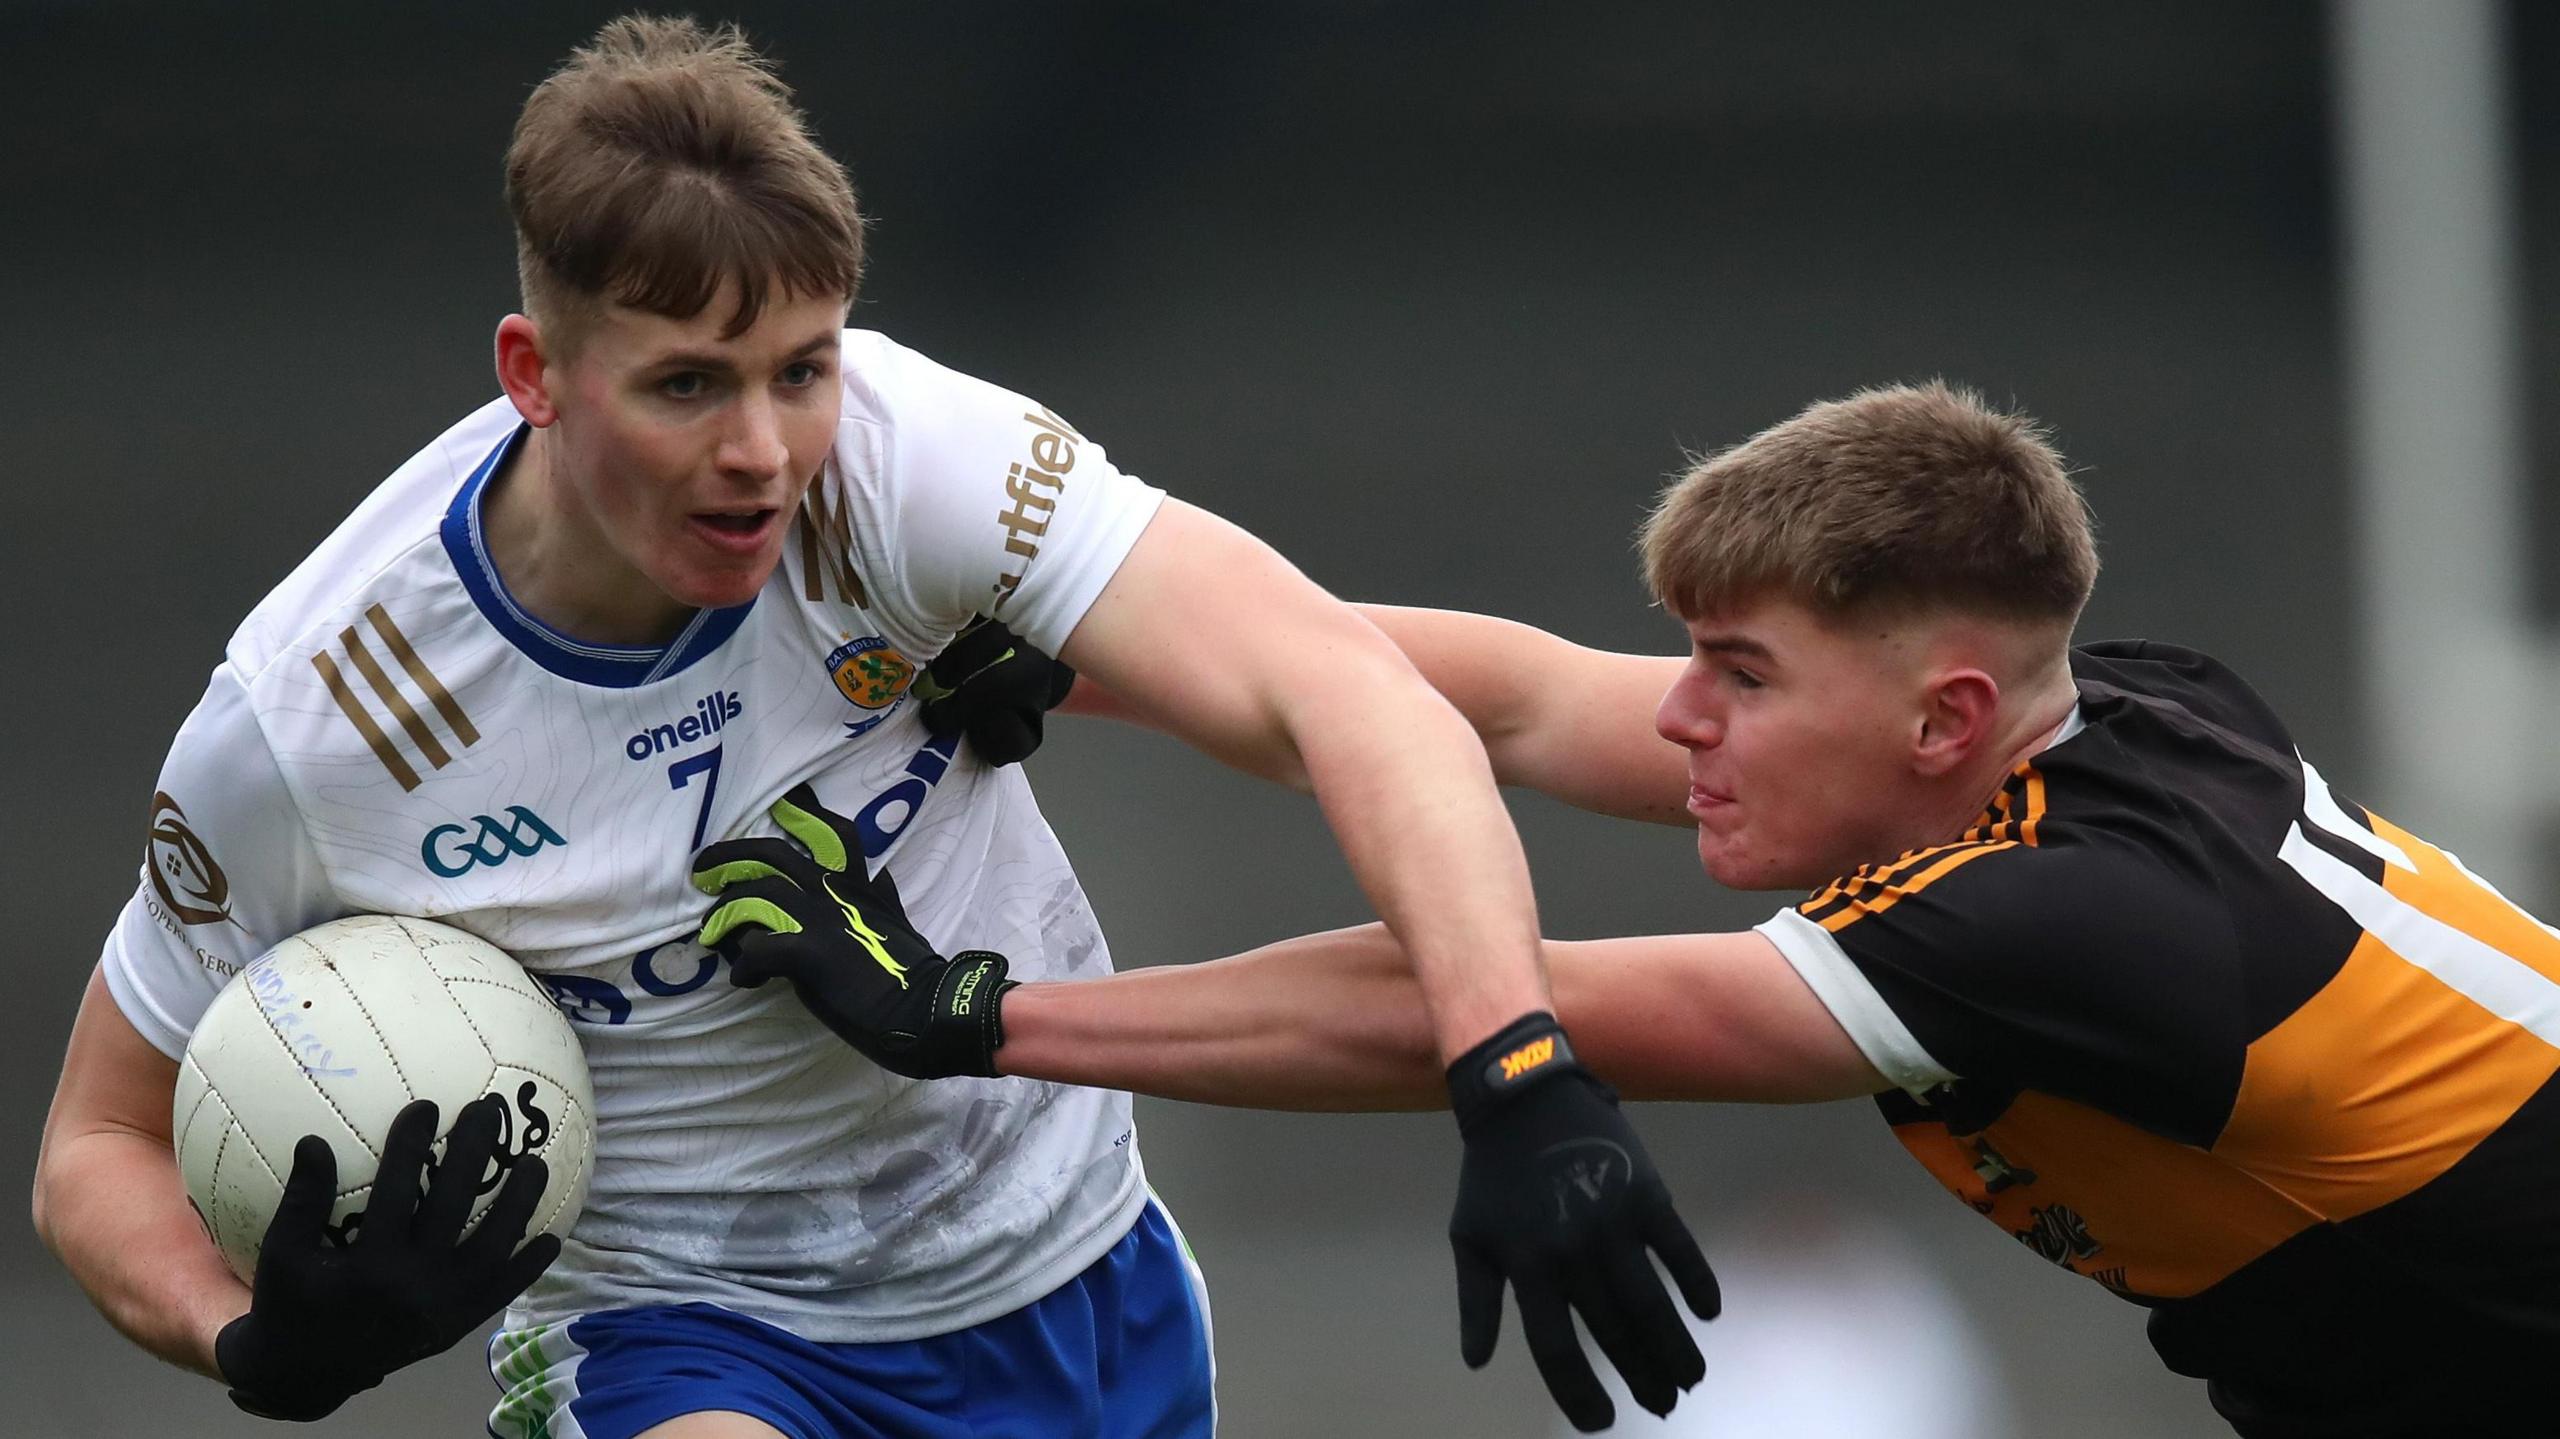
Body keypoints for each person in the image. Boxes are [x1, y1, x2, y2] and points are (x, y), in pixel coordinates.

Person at [29, 17, 1712, 1437]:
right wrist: (248, 1343)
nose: (765, 447)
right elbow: (95, 1145)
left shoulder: (912, 464)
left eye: (803, 368)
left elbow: (1339, 685)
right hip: (673, 1333)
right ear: (536, 375)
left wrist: (1519, 1069)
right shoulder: (320, 717)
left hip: (1064, 1269)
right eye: (688, 383)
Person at [823, 381, 2560, 1437]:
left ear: (1940, 715)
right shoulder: (2083, 734)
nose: (1678, 718)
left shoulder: (2054, 924)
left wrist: (983, 1015)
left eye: (1738, 674)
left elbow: (1481, 1003)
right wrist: (1086, 649)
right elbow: (1520, 701)